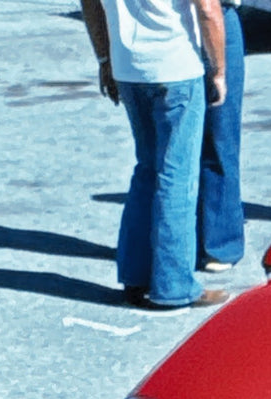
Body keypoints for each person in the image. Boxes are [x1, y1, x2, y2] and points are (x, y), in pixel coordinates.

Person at [80, 0, 229, 310]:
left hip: (127, 65)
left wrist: (105, 57)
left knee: (147, 169)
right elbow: (208, 9)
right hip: (176, 64)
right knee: (177, 176)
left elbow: (90, 4)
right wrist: (219, 71)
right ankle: (174, 285)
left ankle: (135, 274)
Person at [197, 0, 246, 273]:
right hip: (206, 18)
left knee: (212, 137)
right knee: (220, 136)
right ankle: (216, 243)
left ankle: (212, 240)